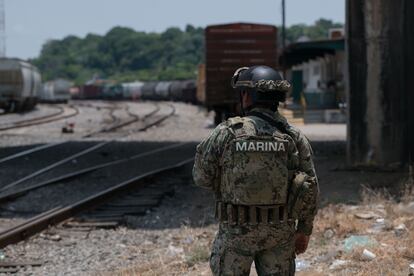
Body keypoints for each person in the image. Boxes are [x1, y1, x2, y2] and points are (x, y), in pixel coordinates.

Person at [193, 65, 319, 275]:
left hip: (236, 231)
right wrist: (304, 230)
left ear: (247, 96)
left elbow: (201, 177)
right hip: (280, 232)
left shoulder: (227, 133)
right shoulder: (294, 136)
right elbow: (310, 186)